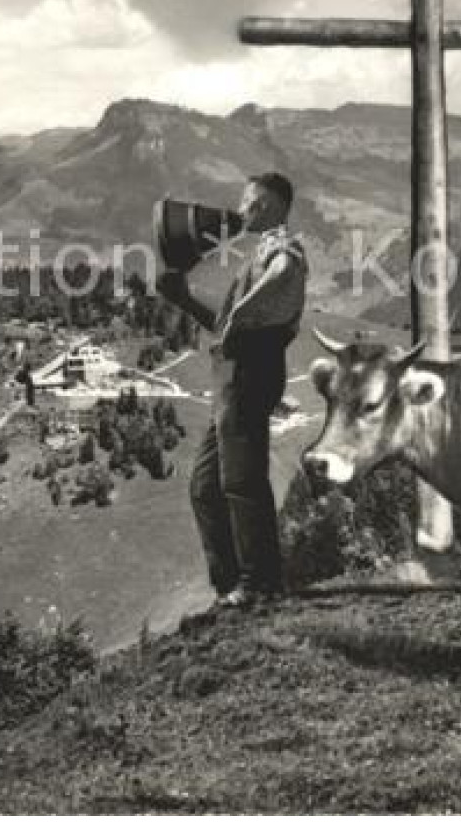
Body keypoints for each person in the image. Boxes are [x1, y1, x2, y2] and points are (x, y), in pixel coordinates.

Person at [157, 172, 307, 609]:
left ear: (275, 207)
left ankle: (260, 583)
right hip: (232, 382)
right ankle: (229, 589)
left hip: (249, 375)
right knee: (205, 487)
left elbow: (285, 270)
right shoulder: (258, 255)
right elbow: (225, 329)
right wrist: (184, 299)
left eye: (252, 204)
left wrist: (242, 309)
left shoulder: (283, 251)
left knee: (241, 481)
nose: (242, 212)